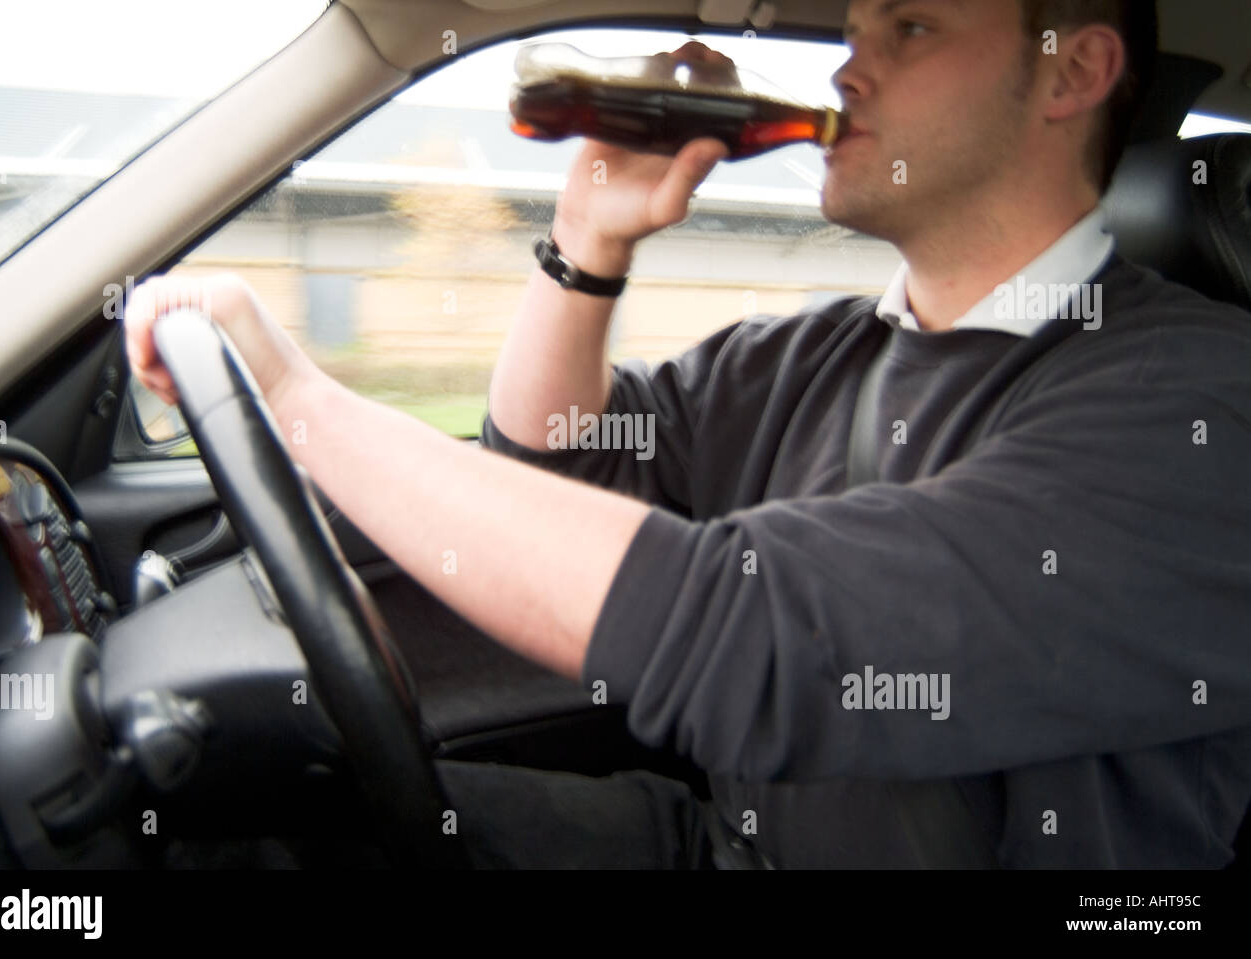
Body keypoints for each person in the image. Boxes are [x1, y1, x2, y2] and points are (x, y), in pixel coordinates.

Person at [125, 0, 1251, 867]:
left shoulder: (1196, 404)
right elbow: (552, 459)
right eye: (852, 30)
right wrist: (587, 241)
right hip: (727, 847)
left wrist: (298, 399)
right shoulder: (814, 354)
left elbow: (758, 634)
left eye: (909, 27)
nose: (847, 68)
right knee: (256, 823)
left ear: (1071, 71)